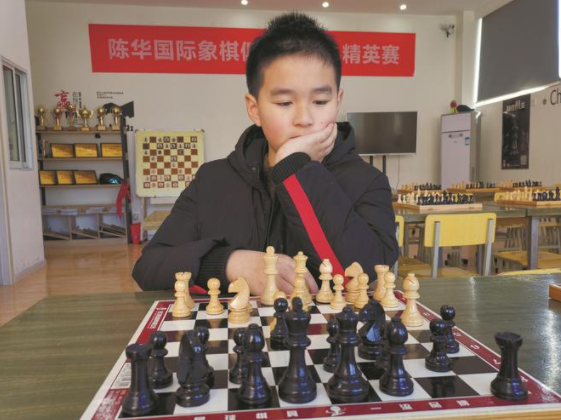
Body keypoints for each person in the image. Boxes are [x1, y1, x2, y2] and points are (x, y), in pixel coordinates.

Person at [133, 12, 399, 296]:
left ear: (338, 101)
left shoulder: (368, 181)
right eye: (284, 102)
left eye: (320, 101)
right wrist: (232, 264)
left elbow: (364, 274)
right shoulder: (212, 179)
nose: (304, 118)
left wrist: (296, 168)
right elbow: (150, 266)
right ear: (254, 109)